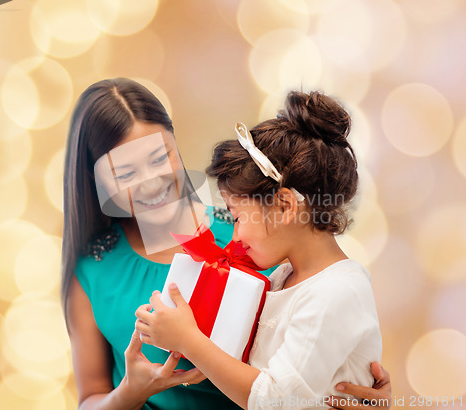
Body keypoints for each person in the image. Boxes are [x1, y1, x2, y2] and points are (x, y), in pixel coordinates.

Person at [62, 78, 392, 409]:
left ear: (175, 144)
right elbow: (91, 396)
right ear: (96, 178)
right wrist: (131, 391)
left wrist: (362, 382)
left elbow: (315, 350)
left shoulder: (260, 237)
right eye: (125, 173)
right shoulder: (94, 268)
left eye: (160, 158)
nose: (151, 183)